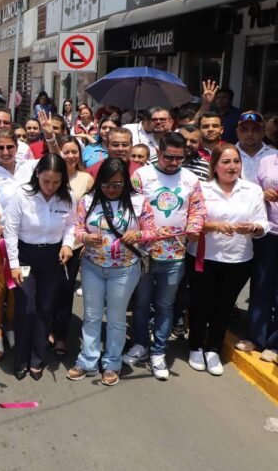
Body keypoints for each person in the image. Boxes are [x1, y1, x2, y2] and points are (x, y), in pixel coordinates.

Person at [124, 132, 207, 381]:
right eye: (169, 157)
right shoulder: (141, 176)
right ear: (158, 153)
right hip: (144, 252)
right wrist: (140, 233)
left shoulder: (191, 179)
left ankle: (159, 351)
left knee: (165, 305)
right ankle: (140, 343)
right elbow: (130, 208)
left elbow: (198, 209)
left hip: (174, 253)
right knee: (141, 302)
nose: (174, 162)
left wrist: (193, 228)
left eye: (179, 158)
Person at [68, 158, 156, 386]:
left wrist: (138, 235)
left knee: (116, 318)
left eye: (117, 184)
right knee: (92, 315)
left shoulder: (139, 202)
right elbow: (77, 228)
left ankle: (112, 363)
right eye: (106, 185)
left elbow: (151, 232)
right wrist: (85, 237)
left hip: (124, 270)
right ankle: (87, 360)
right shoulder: (88, 201)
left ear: (125, 182)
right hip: (92, 266)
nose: (111, 190)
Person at [185, 145, 268, 375]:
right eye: (226, 162)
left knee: (223, 306)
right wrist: (214, 226)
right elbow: (190, 222)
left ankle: (213, 348)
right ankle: (195, 346)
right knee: (201, 304)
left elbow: (263, 223)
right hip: (204, 256)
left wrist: (253, 227)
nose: (232, 167)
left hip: (239, 259)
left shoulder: (252, 190)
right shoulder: (201, 189)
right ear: (215, 166)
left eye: (236, 162)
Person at [4, 154, 76, 381]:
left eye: (56, 182)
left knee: (45, 309)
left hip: (52, 258)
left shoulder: (67, 197)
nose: (51, 187)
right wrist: (14, 264)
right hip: (25, 257)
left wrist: (67, 245)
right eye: (46, 181)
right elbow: (11, 231)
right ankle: (20, 358)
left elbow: (72, 225)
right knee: (26, 309)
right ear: (37, 175)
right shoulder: (22, 194)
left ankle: (37, 357)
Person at [0, 130, 27, 360]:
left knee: (17, 285)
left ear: (17, 147)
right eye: (0, 148)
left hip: (24, 237)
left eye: (10, 147)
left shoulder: (29, 168)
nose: (5, 152)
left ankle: (11, 325)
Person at [51, 136, 95, 356]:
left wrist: (86, 238)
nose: (70, 156)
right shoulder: (50, 175)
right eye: (65, 152)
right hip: (48, 241)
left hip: (75, 244)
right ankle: (45, 328)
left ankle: (60, 335)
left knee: (66, 289)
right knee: (47, 288)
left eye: (74, 152)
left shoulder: (87, 179)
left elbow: (90, 211)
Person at [241, 150, 278, 362]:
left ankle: (275, 344)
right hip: (268, 233)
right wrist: (263, 195)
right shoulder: (267, 161)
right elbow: (254, 192)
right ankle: (256, 337)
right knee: (261, 286)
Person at [235, 111, 277, 183]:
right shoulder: (226, 154)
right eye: (244, 130)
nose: (249, 134)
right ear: (237, 132)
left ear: (263, 132)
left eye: (255, 130)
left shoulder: (275, 155)